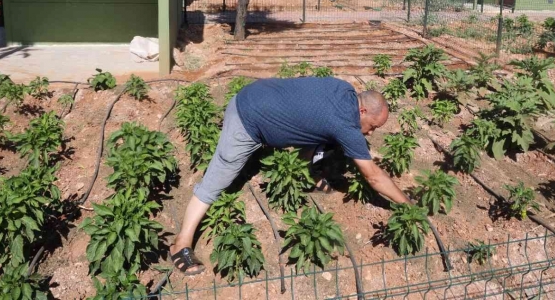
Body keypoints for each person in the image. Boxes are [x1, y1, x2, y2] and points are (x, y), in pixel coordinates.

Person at [169, 77, 410, 275]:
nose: (370, 132)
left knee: (326, 137)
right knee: (220, 176)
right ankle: (181, 243)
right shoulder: (345, 124)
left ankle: (308, 172)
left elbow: (315, 117)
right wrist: (408, 205)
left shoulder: (344, 88)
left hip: (258, 91)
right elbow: (374, 177)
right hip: (247, 116)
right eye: (373, 126)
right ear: (363, 109)